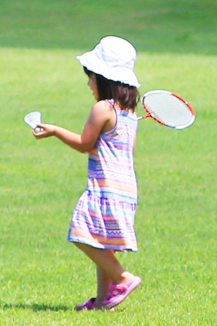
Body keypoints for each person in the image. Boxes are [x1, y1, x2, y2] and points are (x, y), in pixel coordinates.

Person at [33, 36, 142, 310]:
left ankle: (124, 278)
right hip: (126, 189)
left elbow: (85, 144)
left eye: (91, 77)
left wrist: (55, 130)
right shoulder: (128, 112)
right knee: (104, 245)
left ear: (104, 78)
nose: (88, 84)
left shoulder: (103, 108)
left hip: (105, 187)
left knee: (81, 233)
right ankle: (105, 301)